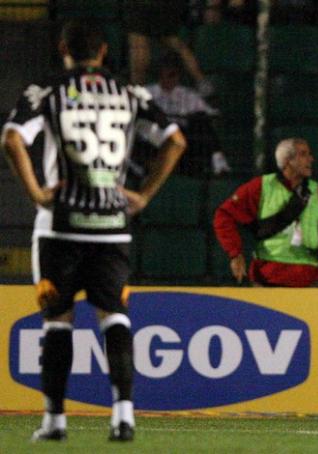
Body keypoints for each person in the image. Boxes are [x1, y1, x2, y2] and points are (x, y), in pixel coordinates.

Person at [1, 21, 186, 441]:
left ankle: (54, 421)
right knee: (115, 317)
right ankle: (123, 416)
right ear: (103, 51)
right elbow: (175, 140)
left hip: (60, 227)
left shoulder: (46, 91)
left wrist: (36, 193)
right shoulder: (129, 92)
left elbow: (12, 138)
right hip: (111, 227)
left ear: (63, 48)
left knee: (57, 322)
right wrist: (142, 196)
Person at [213, 138, 318, 287]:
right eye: (303, 154)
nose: (311, 159)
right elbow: (224, 215)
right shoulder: (261, 186)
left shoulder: (317, 192)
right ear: (288, 161)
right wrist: (235, 253)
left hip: (309, 280)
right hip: (267, 279)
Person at [146, 51, 231, 176]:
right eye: (164, 74)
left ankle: (218, 162)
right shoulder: (148, 92)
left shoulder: (187, 95)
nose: (168, 79)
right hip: (156, 136)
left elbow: (211, 114)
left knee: (200, 121)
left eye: (172, 74)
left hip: (183, 139)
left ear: (177, 76)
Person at [125, 0, 213, 94]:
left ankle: (138, 91)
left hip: (145, 6)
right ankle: (201, 81)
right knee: (174, 44)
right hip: (162, 6)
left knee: (139, 47)